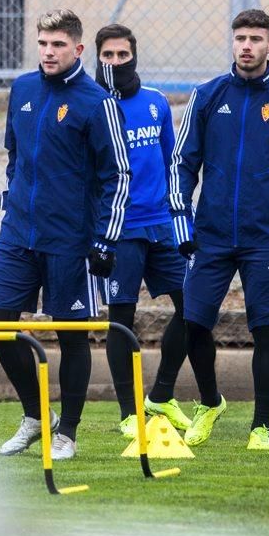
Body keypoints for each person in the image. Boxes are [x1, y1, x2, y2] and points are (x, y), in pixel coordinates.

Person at [169, 8, 269, 450]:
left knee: (264, 330)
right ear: (232, 41)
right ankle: (209, 401)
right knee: (193, 323)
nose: (246, 46)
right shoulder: (206, 96)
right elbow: (182, 163)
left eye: (256, 39)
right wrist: (180, 214)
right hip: (210, 235)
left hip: (263, 238)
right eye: (240, 37)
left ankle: (261, 426)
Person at [0, 9, 131, 460]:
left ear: (78, 49)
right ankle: (35, 416)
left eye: (58, 45)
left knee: (71, 334)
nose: (48, 52)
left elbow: (118, 175)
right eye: (44, 43)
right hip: (18, 234)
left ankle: (67, 431)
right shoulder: (23, 88)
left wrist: (105, 239)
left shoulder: (96, 100)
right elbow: (14, 154)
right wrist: (16, 200)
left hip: (72, 241)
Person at [93, 23, 195, 440]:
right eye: (107, 56)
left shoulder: (155, 102)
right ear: (96, 58)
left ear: (134, 56)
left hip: (162, 226)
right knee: (122, 320)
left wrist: (180, 216)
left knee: (194, 307)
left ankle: (161, 395)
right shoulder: (93, 106)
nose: (116, 62)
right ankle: (128, 413)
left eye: (122, 55)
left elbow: (173, 164)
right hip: (121, 230)